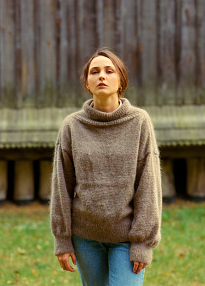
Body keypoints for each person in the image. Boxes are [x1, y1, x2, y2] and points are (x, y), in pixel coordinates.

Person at [50, 48, 162, 285]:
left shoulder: (140, 122)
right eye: (95, 72)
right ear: (87, 83)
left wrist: (143, 242)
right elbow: (62, 186)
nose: (102, 76)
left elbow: (148, 184)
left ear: (121, 81)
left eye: (109, 71)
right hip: (85, 238)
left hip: (127, 238)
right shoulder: (71, 126)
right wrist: (62, 239)